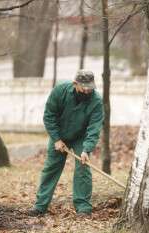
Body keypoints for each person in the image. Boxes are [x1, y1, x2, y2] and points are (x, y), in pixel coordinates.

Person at [28, 70, 104, 217]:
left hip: (81, 136)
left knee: (83, 168)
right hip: (59, 134)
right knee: (51, 168)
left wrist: (86, 149)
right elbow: (49, 116)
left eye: (90, 87)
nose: (88, 90)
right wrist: (56, 139)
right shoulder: (60, 91)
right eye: (84, 86)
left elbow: (94, 127)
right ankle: (40, 206)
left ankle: (83, 208)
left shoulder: (96, 101)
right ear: (75, 83)